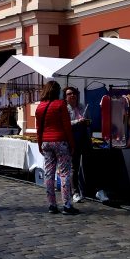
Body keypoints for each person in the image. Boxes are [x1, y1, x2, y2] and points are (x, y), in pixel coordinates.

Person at [36, 80, 78, 215]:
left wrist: (39, 144)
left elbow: (39, 129)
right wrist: (72, 144)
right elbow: (67, 127)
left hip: (46, 142)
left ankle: (52, 205)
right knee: (65, 173)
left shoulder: (40, 107)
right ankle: (67, 205)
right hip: (60, 141)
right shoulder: (60, 104)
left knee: (49, 174)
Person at [63, 86, 90, 203]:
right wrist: (77, 122)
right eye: (69, 94)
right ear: (66, 97)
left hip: (84, 139)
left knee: (87, 165)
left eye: (74, 93)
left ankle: (88, 190)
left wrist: (87, 121)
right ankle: (74, 192)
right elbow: (65, 124)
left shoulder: (82, 107)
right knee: (74, 166)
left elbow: (89, 120)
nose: (72, 95)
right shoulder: (65, 109)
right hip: (73, 140)